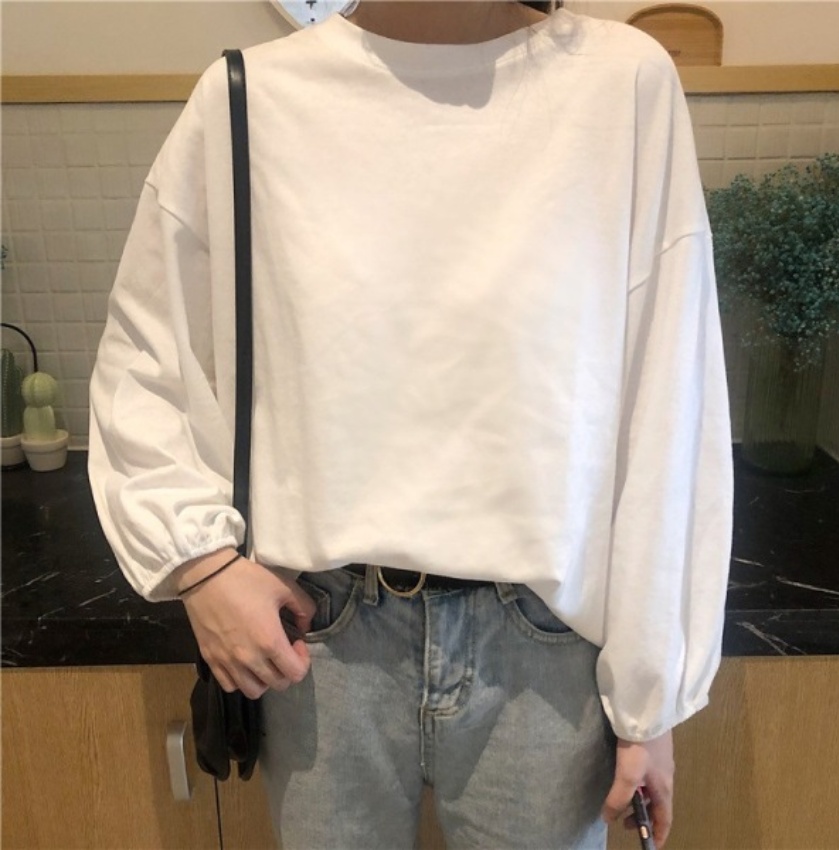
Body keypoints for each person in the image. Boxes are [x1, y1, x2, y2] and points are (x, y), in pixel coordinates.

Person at [88, 1, 734, 848]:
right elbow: (143, 357)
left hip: (546, 647)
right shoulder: (249, 99)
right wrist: (201, 565)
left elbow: (668, 391)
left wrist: (651, 700)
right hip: (321, 643)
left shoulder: (622, 84)